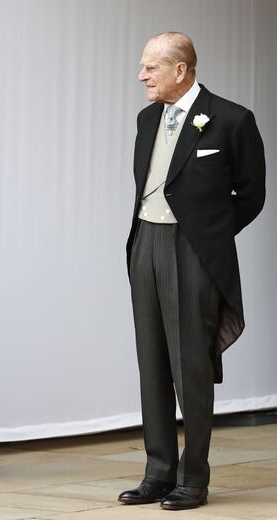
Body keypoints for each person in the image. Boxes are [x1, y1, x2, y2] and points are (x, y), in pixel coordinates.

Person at [120, 32, 265, 510]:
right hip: (145, 242)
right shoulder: (146, 119)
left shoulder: (231, 119)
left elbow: (252, 194)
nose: (142, 76)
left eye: (150, 68)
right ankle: (157, 472)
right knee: (152, 363)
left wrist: (208, 237)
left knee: (191, 367)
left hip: (193, 251)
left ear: (180, 70)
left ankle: (194, 477)